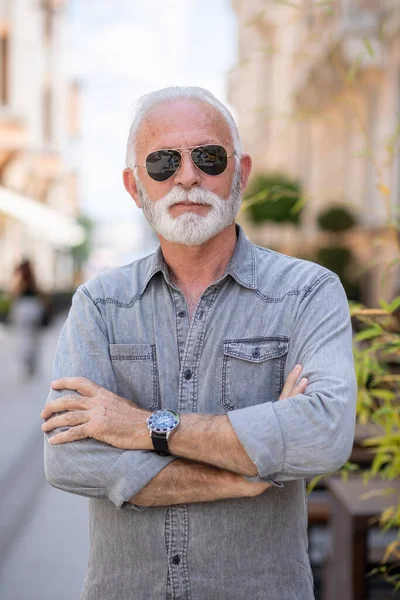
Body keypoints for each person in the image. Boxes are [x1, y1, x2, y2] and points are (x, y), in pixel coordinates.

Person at [41, 86, 356, 600]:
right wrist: (240, 475)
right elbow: (69, 460)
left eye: (208, 157)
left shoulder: (308, 292)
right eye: (163, 162)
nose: (187, 176)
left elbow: (323, 435)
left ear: (241, 172)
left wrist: (140, 426)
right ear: (133, 185)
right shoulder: (98, 303)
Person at [9, 259, 44, 376]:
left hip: (24, 309)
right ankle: (30, 361)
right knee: (32, 338)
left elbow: (14, 293)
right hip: (33, 308)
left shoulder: (21, 278)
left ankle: (28, 361)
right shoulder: (32, 279)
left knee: (25, 337)